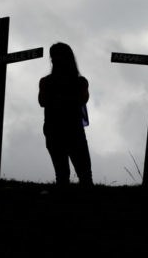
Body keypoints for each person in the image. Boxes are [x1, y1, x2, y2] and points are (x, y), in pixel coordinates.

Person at [38, 42, 92, 186]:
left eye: (55, 57)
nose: (54, 60)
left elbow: (42, 101)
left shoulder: (47, 82)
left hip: (57, 130)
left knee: (65, 175)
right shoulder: (80, 82)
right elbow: (82, 99)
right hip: (69, 131)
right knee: (82, 174)